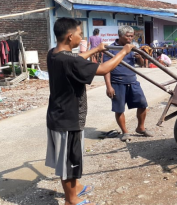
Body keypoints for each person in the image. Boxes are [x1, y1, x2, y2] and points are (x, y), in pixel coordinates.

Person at [46, 17, 134, 205]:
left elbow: (76, 59)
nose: (82, 37)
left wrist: (96, 49)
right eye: (79, 34)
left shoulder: (53, 54)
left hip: (58, 115)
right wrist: (124, 52)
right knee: (69, 162)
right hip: (68, 119)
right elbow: (103, 69)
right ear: (70, 37)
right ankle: (71, 200)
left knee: (71, 157)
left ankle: (75, 188)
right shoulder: (69, 61)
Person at [103, 26, 153, 142]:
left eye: (132, 36)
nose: (131, 38)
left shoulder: (133, 47)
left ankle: (140, 128)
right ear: (120, 36)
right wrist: (109, 87)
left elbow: (141, 65)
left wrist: (140, 57)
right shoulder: (110, 49)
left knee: (142, 104)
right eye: (128, 36)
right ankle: (125, 132)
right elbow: (106, 70)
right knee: (119, 109)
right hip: (117, 83)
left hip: (133, 81)